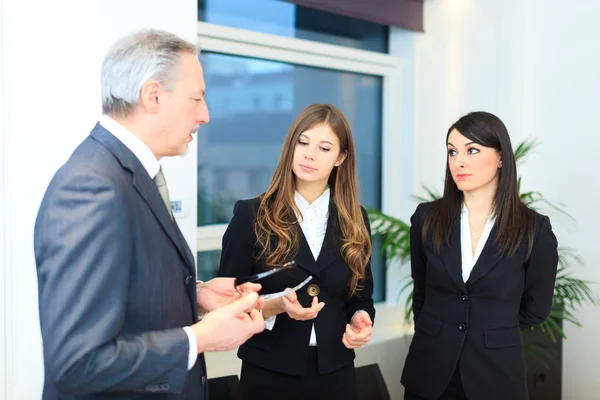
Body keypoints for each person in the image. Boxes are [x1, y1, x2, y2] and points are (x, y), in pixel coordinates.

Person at [34, 29, 264, 400]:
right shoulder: (91, 186)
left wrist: (197, 294)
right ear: (153, 96)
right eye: (197, 98)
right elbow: (76, 364)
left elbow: (126, 284)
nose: (204, 115)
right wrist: (200, 337)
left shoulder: (130, 173)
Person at [217, 103, 375, 400]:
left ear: (341, 157)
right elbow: (227, 301)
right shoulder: (251, 214)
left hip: (337, 375)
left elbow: (360, 297)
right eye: (302, 142)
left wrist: (361, 319)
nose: (309, 154)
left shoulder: (356, 219)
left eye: (324, 148)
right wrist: (276, 305)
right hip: (268, 376)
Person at [400, 111, 559, 400]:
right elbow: (421, 294)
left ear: (501, 157)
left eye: (472, 150)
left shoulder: (534, 228)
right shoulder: (427, 218)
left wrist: (490, 329)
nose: (458, 161)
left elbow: (536, 309)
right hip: (430, 372)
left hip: (495, 375)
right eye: (452, 151)